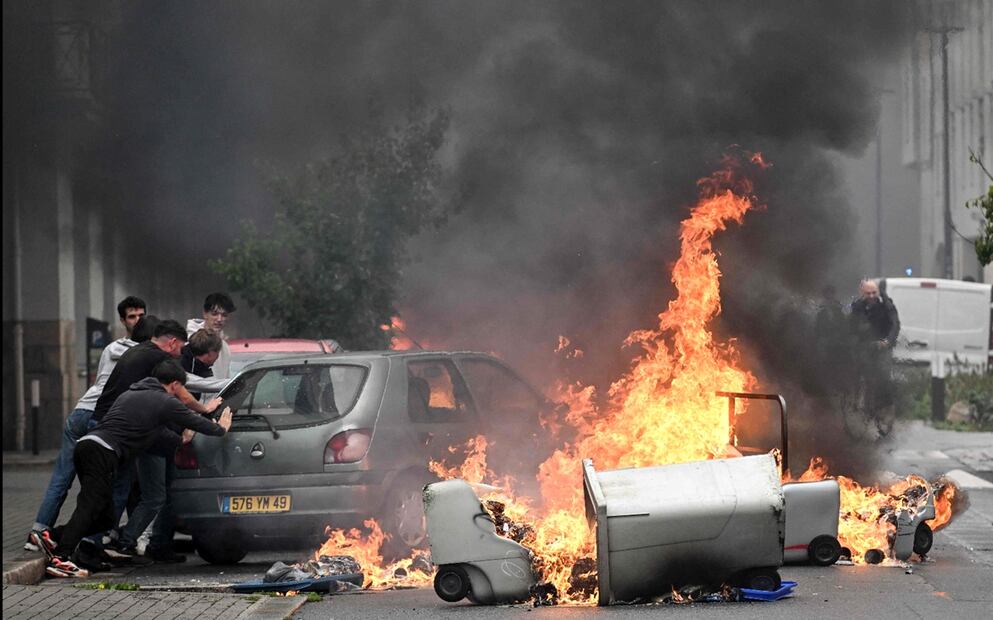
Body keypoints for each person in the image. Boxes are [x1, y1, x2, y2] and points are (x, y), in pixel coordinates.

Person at [36, 360, 233, 578]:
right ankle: (61, 558)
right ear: (175, 384)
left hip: (87, 447)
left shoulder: (130, 395)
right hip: (102, 452)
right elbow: (193, 421)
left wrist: (180, 440)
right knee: (89, 507)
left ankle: (53, 536)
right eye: (182, 388)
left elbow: (157, 434)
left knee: (106, 518)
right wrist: (220, 429)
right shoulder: (165, 400)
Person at [24, 296, 146, 552]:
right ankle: (95, 538)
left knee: (63, 477)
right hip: (97, 418)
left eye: (141, 316)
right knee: (113, 482)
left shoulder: (111, 348)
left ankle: (38, 532)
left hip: (82, 412)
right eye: (132, 316)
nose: (137, 321)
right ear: (122, 321)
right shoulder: (135, 351)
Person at [112, 328, 227, 562]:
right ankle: (125, 542)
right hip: (154, 443)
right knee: (154, 497)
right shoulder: (166, 391)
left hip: (160, 441)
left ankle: (155, 544)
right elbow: (188, 411)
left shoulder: (147, 388)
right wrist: (217, 426)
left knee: (165, 495)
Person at [849, 279, 901, 409]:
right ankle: (857, 401)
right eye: (868, 293)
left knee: (883, 374)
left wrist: (888, 341)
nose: (871, 296)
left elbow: (895, 324)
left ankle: (881, 404)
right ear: (863, 293)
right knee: (860, 372)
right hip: (864, 346)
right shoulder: (858, 307)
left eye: (874, 293)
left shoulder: (886, 306)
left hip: (882, 345)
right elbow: (851, 327)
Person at [187, 292, 236, 380]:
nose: (219, 319)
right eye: (214, 314)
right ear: (205, 314)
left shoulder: (225, 348)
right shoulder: (189, 343)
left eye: (224, 315)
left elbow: (225, 380)